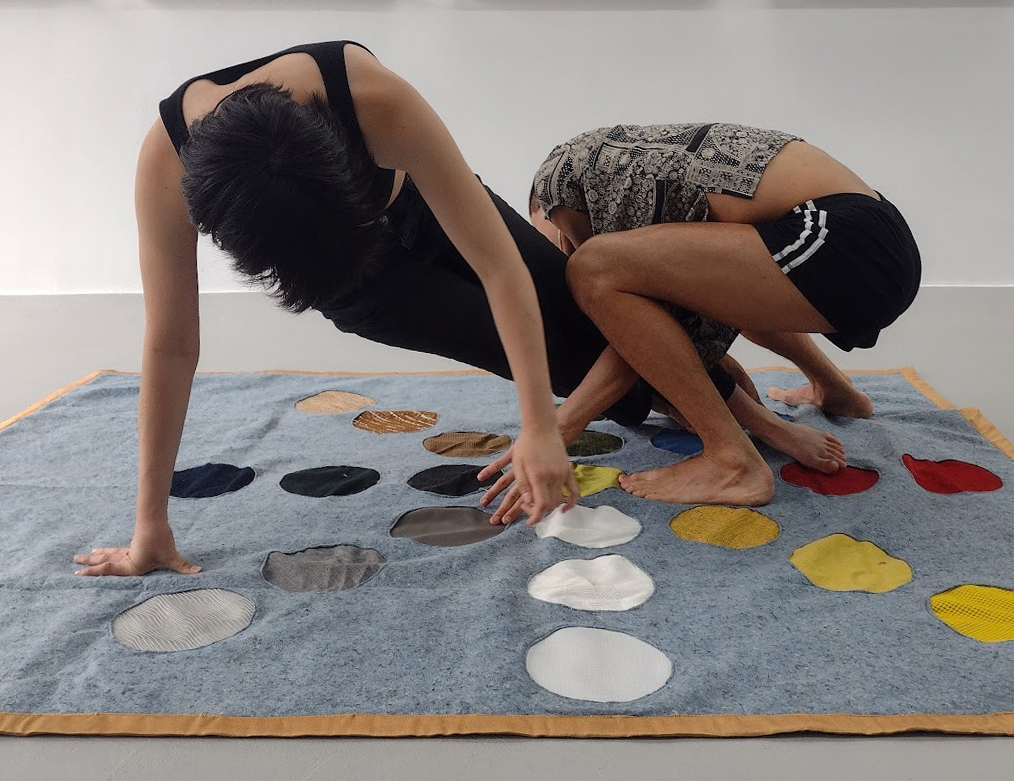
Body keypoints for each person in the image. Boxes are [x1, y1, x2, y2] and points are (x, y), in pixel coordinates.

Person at [72, 40, 644, 578]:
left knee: (592, 310)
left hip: (424, 207)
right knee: (583, 370)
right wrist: (150, 524)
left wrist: (542, 427)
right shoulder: (166, 165)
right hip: (363, 284)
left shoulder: (372, 99)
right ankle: (686, 385)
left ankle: (704, 378)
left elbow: (499, 268)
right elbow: (170, 345)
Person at [481, 122, 920, 519]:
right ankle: (837, 391)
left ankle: (732, 460)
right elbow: (682, 328)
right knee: (715, 288)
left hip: (835, 238)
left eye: (554, 245)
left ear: (544, 211)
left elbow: (641, 337)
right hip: (879, 238)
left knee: (593, 269)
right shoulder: (633, 162)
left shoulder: (561, 179)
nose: (561, 255)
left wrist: (556, 429)